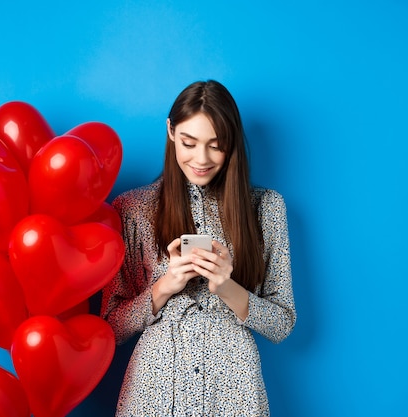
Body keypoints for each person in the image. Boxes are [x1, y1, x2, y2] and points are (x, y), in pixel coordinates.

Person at [100, 80, 296, 416]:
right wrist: (164, 287)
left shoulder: (266, 208)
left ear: (231, 142)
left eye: (216, 145)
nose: (201, 159)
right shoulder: (132, 209)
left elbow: (282, 324)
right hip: (155, 390)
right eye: (189, 143)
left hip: (235, 391)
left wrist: (227, 288)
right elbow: (109, 329)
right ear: (171, 131)